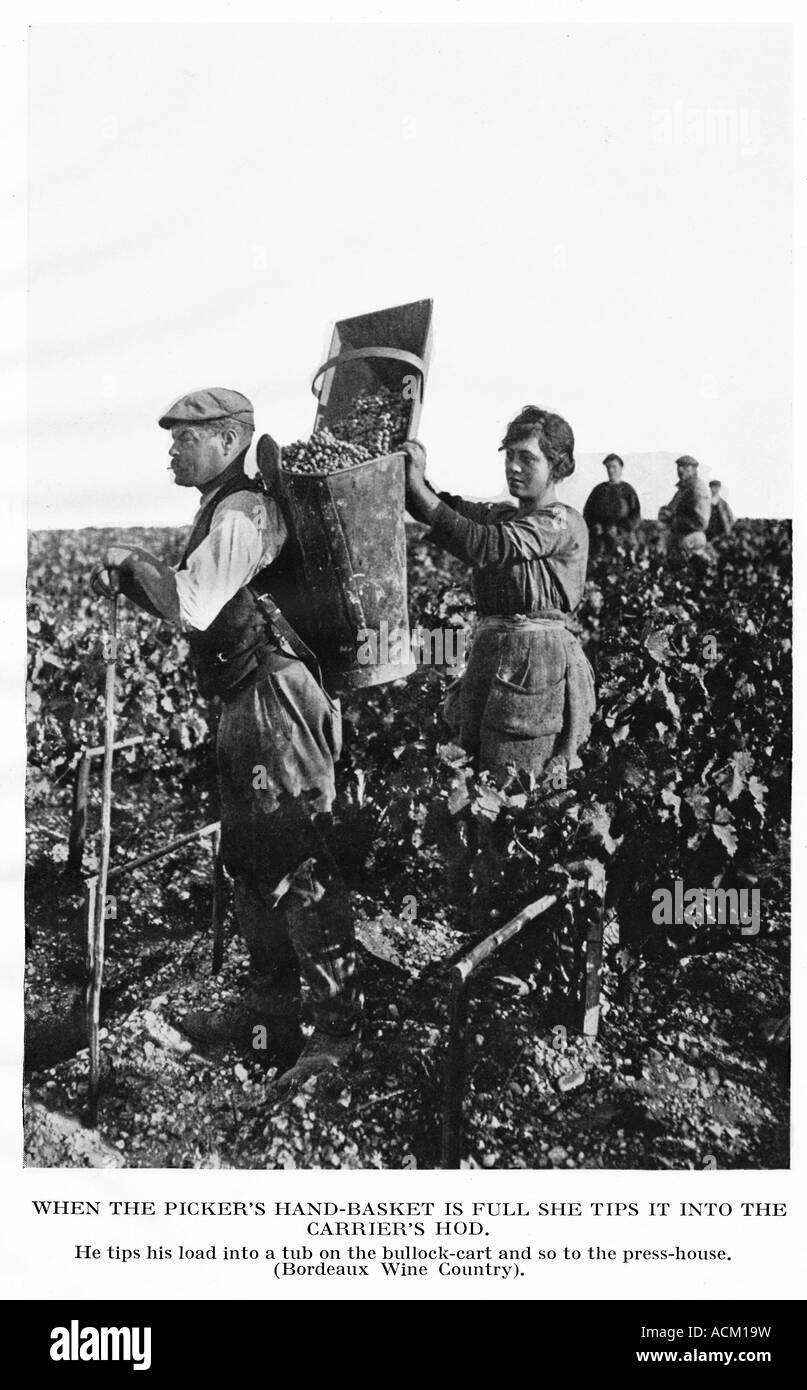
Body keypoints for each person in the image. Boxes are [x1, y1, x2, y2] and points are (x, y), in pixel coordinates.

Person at [90, 387, 362, 1088]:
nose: (173, 449)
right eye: (173, 437)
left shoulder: (242, 511)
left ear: (230, 439)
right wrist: (134, 579)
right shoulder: (223, 508)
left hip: (275, 698)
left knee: (299, 853)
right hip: (247, 697)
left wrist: (133, 561)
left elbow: (192, 601)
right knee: (249, 855)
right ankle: (268, 1014)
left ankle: (335, 1034)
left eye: (186, 437)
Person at [403, 405, 596, 925]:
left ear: (557, 465)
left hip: (534, 666)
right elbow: (452, 512)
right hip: (493, 660)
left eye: (527, 459)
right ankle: (482, 912)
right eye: (509, 457)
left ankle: (522, 923)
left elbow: (486, 546)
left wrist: (421, 495)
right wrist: (414, 482)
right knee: (476, 778)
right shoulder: (507, 515)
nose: (514, 468)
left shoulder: (559, 522)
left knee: (517, 791)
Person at [658, 454, 712, 564]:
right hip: (682, 536)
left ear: (694, 469)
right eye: (679, 466)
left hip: (692, 538)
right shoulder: (683, 489)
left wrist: (674, 520)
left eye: (685, 467)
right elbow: (671, 509)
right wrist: (665, 513)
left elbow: (701, 522)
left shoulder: (698, 489)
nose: (680, 470)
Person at [582, 453, 641, 551]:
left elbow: (635, 515)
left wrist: (620, 529)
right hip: (600, 538)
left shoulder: (628, 490)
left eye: (614, 467)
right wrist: (595, 525)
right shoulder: (598, 490)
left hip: (622, 539)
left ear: (621, 468)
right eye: (608, 467)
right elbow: (588, 512)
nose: (611, 470)